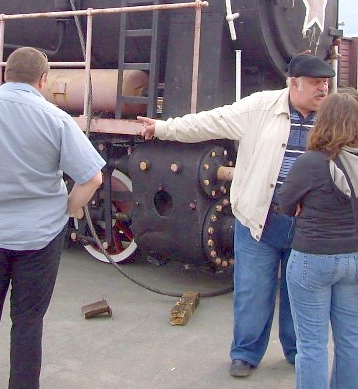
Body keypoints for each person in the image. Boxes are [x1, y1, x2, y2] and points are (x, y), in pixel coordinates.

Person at [139, 53, 335, 378]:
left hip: (308, 225)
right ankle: (245, 354)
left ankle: (298, 351)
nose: (323, 89)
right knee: (252, 291)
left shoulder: (331, 115)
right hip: (260, 219)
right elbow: (209, 122)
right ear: (294, 84)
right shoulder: (260, 107)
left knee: (300, 293)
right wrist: (163, 128)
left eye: (325, 83)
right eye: (316, 83)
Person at [0, 46, 105, 389]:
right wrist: (66, 209)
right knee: (28, 324)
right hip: (40, 239)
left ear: (4, 75)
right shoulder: (56, 119)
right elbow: (93, 178)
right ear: (43, 80)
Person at [278, 93, 358, 389]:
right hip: (354, 257)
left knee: (312, 344)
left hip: (313, 257)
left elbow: (285, 202)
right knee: (352, 336)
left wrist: (302, 203)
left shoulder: (311, 162)